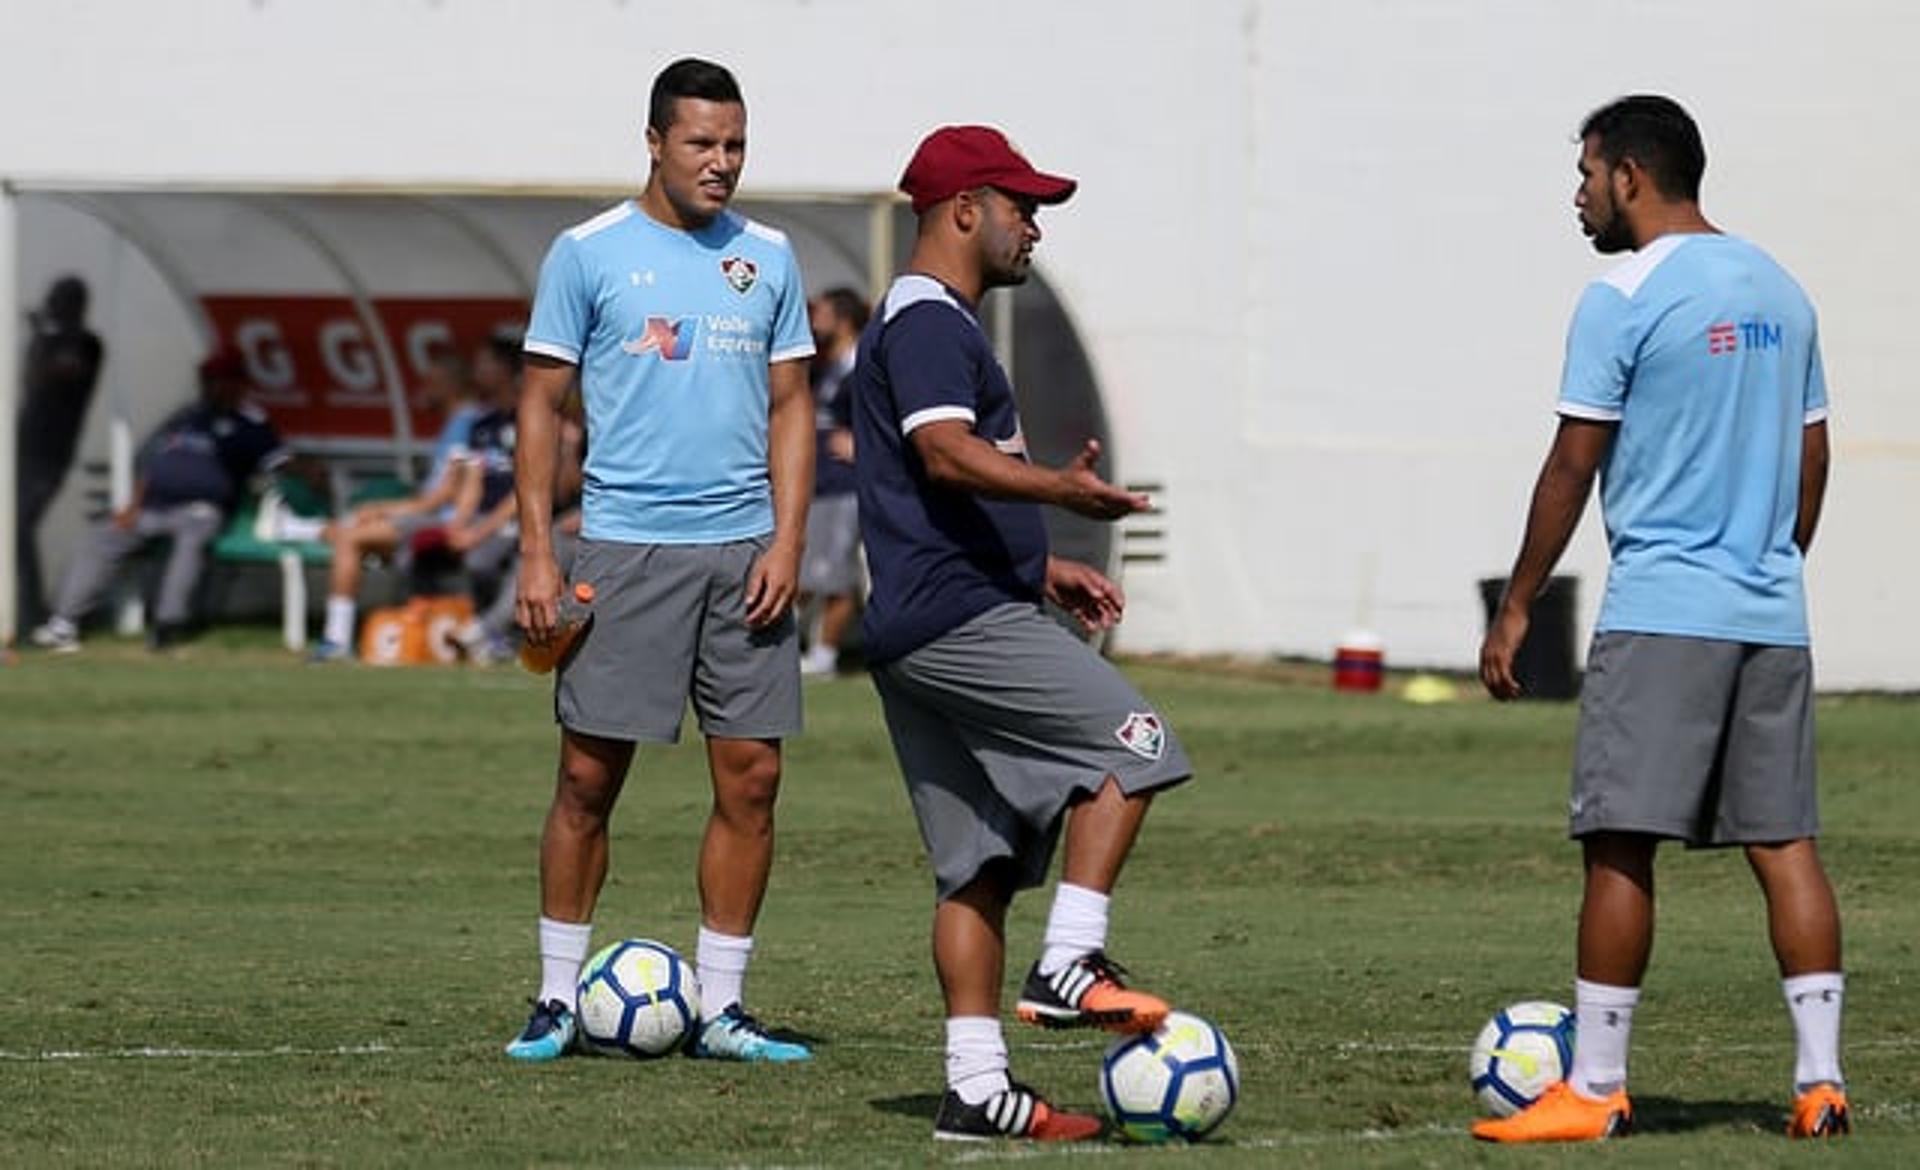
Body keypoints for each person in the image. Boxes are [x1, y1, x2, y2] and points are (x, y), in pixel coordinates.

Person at [1473, 95, 1846, 1144]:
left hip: (1663, 614)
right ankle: (1821, 1084)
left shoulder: (1622, 293)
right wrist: (1769, 565)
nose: (1580, 195)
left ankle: (1592, 1090)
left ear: (1630, 175)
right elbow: (1812, 460)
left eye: (1587, 174)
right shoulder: (1784, 287)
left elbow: (1571, 465)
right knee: (1787, 847)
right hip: (1772, 614)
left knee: (1619, 845)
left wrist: (1517, 605)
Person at [849, 124, 1190, 1143]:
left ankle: (978, 1088)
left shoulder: (933, 324)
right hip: (958, 618)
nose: (1033, 227)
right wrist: (1064, 492)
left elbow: (920, 494)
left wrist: (1040, 563)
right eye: (1022, 206)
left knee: (981, 867)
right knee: (1137, 747)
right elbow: (948, 459)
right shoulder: (927, 324)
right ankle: (1070, 959)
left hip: (923, 619)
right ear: (966, 211)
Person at [505, 57, 816, 1065]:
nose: (721, 163)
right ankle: (557, 998)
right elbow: (540, 407)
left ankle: (722, 1008)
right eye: (701, 143)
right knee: (589, 779)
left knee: (754, 779)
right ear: (653, 141)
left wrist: (788, 539)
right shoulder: (587, 253)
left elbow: (792, 408)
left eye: (734, 144)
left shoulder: (768, 256)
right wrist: (540, 553)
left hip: (743, 556)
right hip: (624, 551)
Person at [29, 349, 286, 652]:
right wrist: (131, 505)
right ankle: (63, 623)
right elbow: (150, 464)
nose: (211, 386)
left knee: (189, 546)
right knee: (100, 537)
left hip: (201, 512)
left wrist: (308, 471)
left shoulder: (250, 424)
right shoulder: (185, 417)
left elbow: (279, 463)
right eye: (208, 379)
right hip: (152, 507)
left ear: (239, 384)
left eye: (219, 380)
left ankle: (167, 626)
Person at [304, 337, 506, 660]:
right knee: (348, 528)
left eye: (430, 382)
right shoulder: (460, 423)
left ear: (449, 386)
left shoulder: (468, 424)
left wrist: (385, 509)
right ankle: (337, 635)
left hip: (442, 521)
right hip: (431, 516)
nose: (423, 389)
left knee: (348, 536)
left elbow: (445, 494)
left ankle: (337, 639)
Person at [15, 275, 106, 630]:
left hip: (49, 455)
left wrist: (45, 335)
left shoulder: (85, 344)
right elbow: (31, 379)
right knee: (12, 530)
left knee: (18, 529)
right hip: (22, 449)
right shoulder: (50, 341)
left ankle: (30, 612)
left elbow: (57, 373)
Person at [798, 287, 870, 677]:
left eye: (821, 313)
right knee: (808, 571)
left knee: (837, 572)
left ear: (841, 319)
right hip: (820, 484)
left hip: (845, 487)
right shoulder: (827, 368)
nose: (813, 320)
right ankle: (804, 649)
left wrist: (866, 448)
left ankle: (825, 656)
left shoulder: (864, 368)